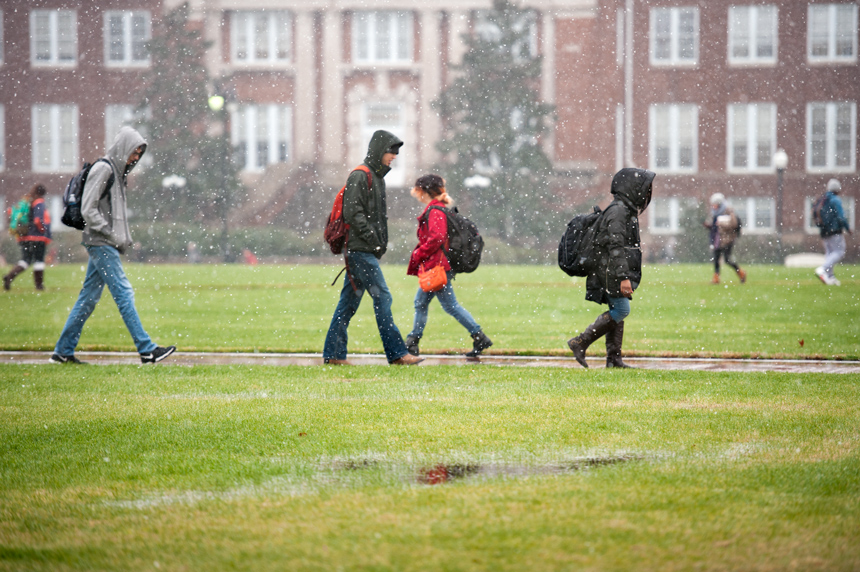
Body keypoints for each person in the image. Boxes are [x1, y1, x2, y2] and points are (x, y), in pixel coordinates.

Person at [51, 126, 175, 365]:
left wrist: (123, 238)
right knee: (123, 292)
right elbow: (88, 210)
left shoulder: (117, 173)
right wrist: (111, 235)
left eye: (139, 153)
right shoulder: (104, 169)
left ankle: (63, 352)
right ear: (123, 147)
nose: (136, 157)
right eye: (134, 152)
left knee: (88, 298)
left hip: (103, 242)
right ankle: (147, 349)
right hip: (100, 243)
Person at [322, 130, 422, 366]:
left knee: (348, 303)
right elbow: (352, 213)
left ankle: (334, 355)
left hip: (362, 249)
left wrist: (376, 242)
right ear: (379, 151)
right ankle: (397, 353)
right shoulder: (360, 175)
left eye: (396, 153)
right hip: (359, 251)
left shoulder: (377, 178)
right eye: (391, 151)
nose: (394, 157)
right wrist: (372, 239)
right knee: (383, 298)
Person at [567, 167, 655, 369]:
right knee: (622, 310)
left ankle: (614, 359)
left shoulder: (623, 210)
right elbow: (615, 247)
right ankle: (580, 342)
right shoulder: (618, 212)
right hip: (610, 272)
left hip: (610, 270)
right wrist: (624, 277)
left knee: (617, 309)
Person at [404, 174, 492, 358]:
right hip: (437, 266)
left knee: (450, 306)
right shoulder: (438, 209)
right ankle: (412, 342)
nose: (416, 194)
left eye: (418, 190)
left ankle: (479, 336)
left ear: (424, 191)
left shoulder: (435, 211)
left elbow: (437, 237)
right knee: (421, 303)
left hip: (437, 267)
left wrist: (418, 253)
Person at [4, 184, 52, 291]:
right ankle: (39, 286)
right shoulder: (39, 202)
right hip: (37, 237)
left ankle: (10, 276)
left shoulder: (28, 201)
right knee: (39, 260)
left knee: (26, 260)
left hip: (25, 237)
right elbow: (38, 220)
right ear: (43, 193)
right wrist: (44, 230)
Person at [814, 179, 852, 286]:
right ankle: (823, 269)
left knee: (830, 253)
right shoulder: (835, 200)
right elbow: (841, 217)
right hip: (834, 230)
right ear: (837, 189)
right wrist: (847, 228)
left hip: (824, 230)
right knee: (839, 251)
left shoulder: (823, 199)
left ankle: (830, 276)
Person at [703, 193, 746, 285]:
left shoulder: (728, 211)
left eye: (714, 204)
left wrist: (721, 224)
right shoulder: (715, 213)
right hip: (717, 239)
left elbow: (733, 224)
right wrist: (709, 226)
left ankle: (740, 272)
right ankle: (716, 277)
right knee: (716, 258)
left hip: (727, 239)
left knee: (727, 259)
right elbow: (715, 226)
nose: (713, 206)